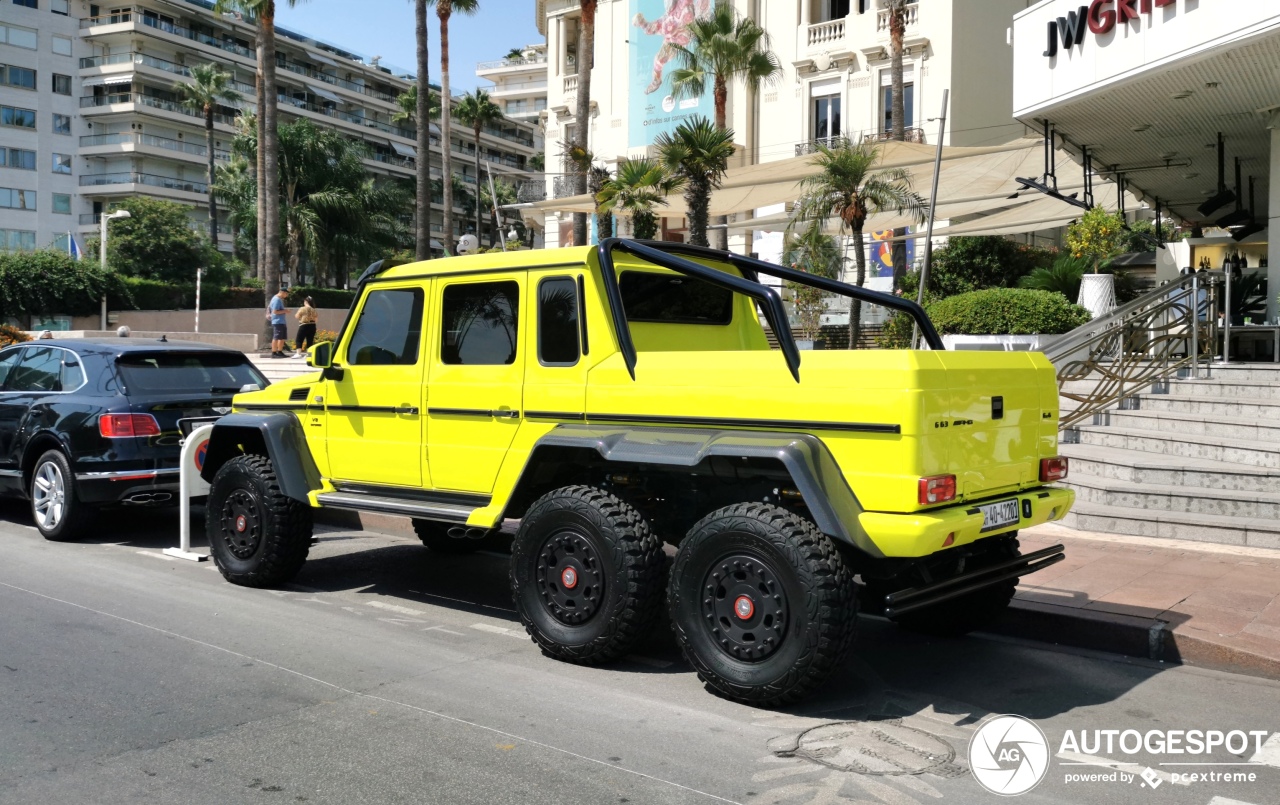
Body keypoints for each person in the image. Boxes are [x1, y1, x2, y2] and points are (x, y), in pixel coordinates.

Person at [268, 288, 289, 358]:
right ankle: (274, 353)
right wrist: (285, 311)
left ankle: (279, 351)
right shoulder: (276, 299)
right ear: (282, 292)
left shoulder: (278, 299)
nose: (286, 296)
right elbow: (275, 311)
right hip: (277, 321)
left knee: (281, 337)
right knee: (276, 337)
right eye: (286, 294)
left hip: (281, 321)